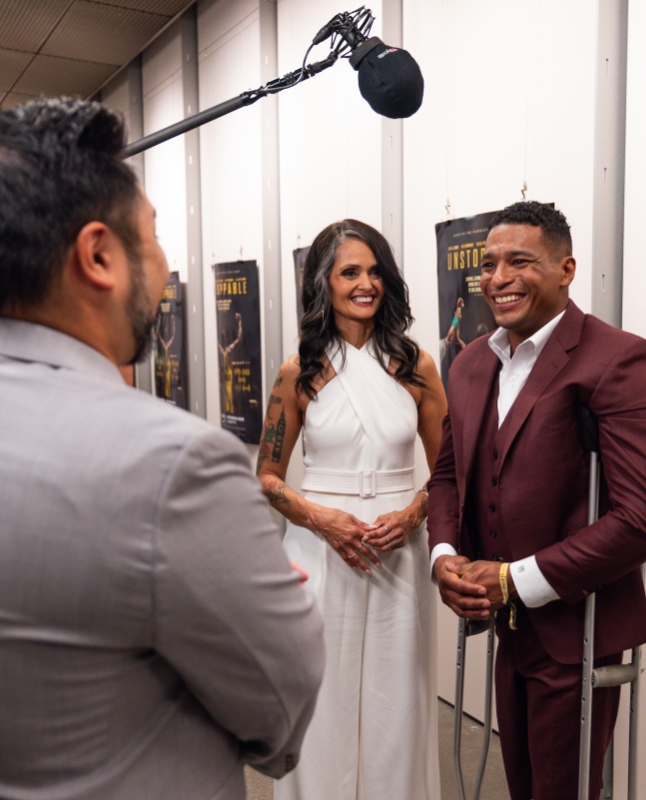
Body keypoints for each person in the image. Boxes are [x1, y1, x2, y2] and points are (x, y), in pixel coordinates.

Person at [0, 97, 324, 800]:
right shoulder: (172, 465)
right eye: (152, 237)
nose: (161, 265)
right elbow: (278, 722)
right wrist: (279, 597)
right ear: (98, 255)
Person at [427, 201, 646, 800]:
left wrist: (516, 579)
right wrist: (443, 555)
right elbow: (445, 477)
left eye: (520, 261)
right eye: (488, 264)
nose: (498, 278)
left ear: (566, 269)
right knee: (522, 784)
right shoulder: (468, 365)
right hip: (504, 629)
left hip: (576, 627)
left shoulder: (619, 359)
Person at [258, 219, 446, 800]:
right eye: (349, 272)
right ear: (324, 283)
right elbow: (266, 476)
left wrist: (414, 514)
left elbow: (448, 474)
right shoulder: (299, 371)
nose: (365, 284)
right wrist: (321, 519)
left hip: (397, 554)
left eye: (374, 272)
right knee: (323, 702)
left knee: (397, 706)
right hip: (320, 550)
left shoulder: (417, 366)